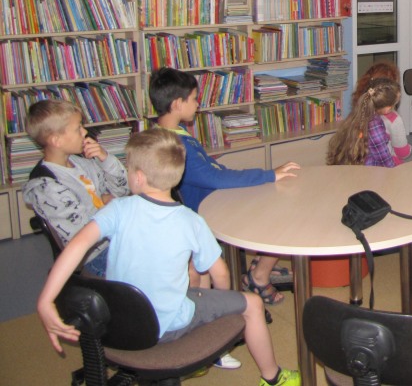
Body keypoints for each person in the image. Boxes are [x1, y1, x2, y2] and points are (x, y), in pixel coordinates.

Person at [36, 128, 300, 386]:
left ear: (139, 177)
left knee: (192, 278)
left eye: (128, 168)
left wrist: (46, 300)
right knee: (252, 304)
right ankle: (273, 377)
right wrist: (223, 306)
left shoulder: (116, 209)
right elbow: (221, 273)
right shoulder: (192, 221)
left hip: (118, 320)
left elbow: (76, 246)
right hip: (168, 326)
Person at [149, 67, 299, 309]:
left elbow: (211, 171)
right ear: (177, 104)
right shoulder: (177, 146)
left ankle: (262, 264)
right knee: (282, 214)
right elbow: (215, 178)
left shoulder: (165, 132)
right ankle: (259, 276)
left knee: (272, 197)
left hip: (213, 199)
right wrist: (270, 174)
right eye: (194, 99)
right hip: (209, 208)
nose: (198, 104)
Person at [22, 99, 129, 277]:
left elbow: (122, 190)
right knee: (152, 262)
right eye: (78, 128)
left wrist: (105, 159)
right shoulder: (47, 187)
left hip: (112, 234)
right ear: (56, 140)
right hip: (94, 253)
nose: (84, 132)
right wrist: (109, 205)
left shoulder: (81, 163)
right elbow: (82, 236)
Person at [327, 78, 400, 167]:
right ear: (388, 108)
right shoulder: (375, 125)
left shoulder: (359, 112)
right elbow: (386, 162)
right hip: (369, 172)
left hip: (353, 168)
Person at [352, 61, 412, 163]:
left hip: (361, 163)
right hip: (387, 166)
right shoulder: (394, 120)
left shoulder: (360, 108)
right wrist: (411, 149)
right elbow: (402, 153)